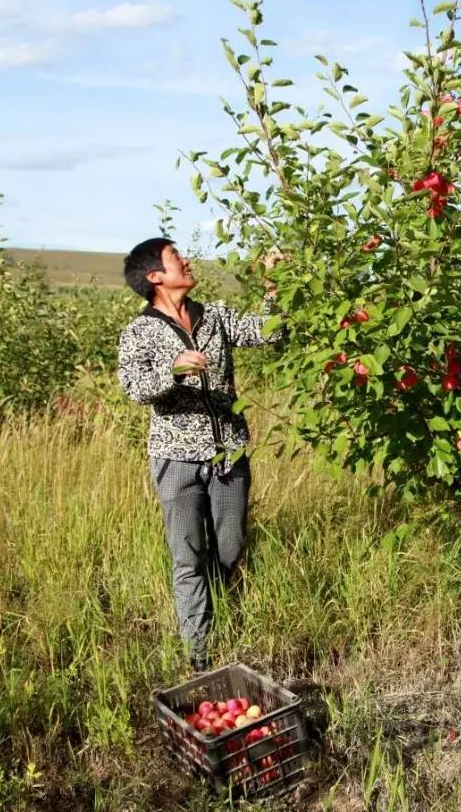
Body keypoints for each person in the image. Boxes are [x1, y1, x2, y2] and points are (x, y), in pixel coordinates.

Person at [117, 238, 281, 672]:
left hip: (228, 453)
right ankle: (199, 657)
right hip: (176, 461)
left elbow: (269, 331)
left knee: (229, 549)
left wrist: (273, 288)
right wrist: (171, 372)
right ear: (155, 277)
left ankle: (224, 625)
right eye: (176, 258)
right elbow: (135, 388)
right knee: (187, 556)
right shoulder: (140, 332)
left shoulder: (216, 316)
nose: (186, 260)